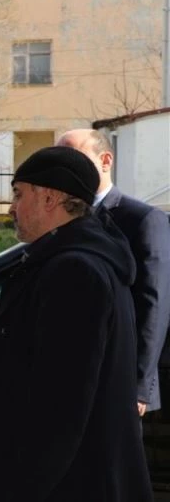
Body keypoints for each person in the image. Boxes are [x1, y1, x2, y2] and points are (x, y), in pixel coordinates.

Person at [0, 146, 152, 502]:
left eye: (18, 194)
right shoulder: (72, 262)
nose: (11, 207)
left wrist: (21, 488)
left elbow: (60, 407)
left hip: (66, 485)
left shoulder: (74, 271)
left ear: (49, 198)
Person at [59, 128, 170, 417]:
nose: (65, 168)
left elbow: (153, 305)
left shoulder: (142, 219)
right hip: (68, 379)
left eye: (74, 158)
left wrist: (138, 386)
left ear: (105, 161)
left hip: (118, 381)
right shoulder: (58, 219)